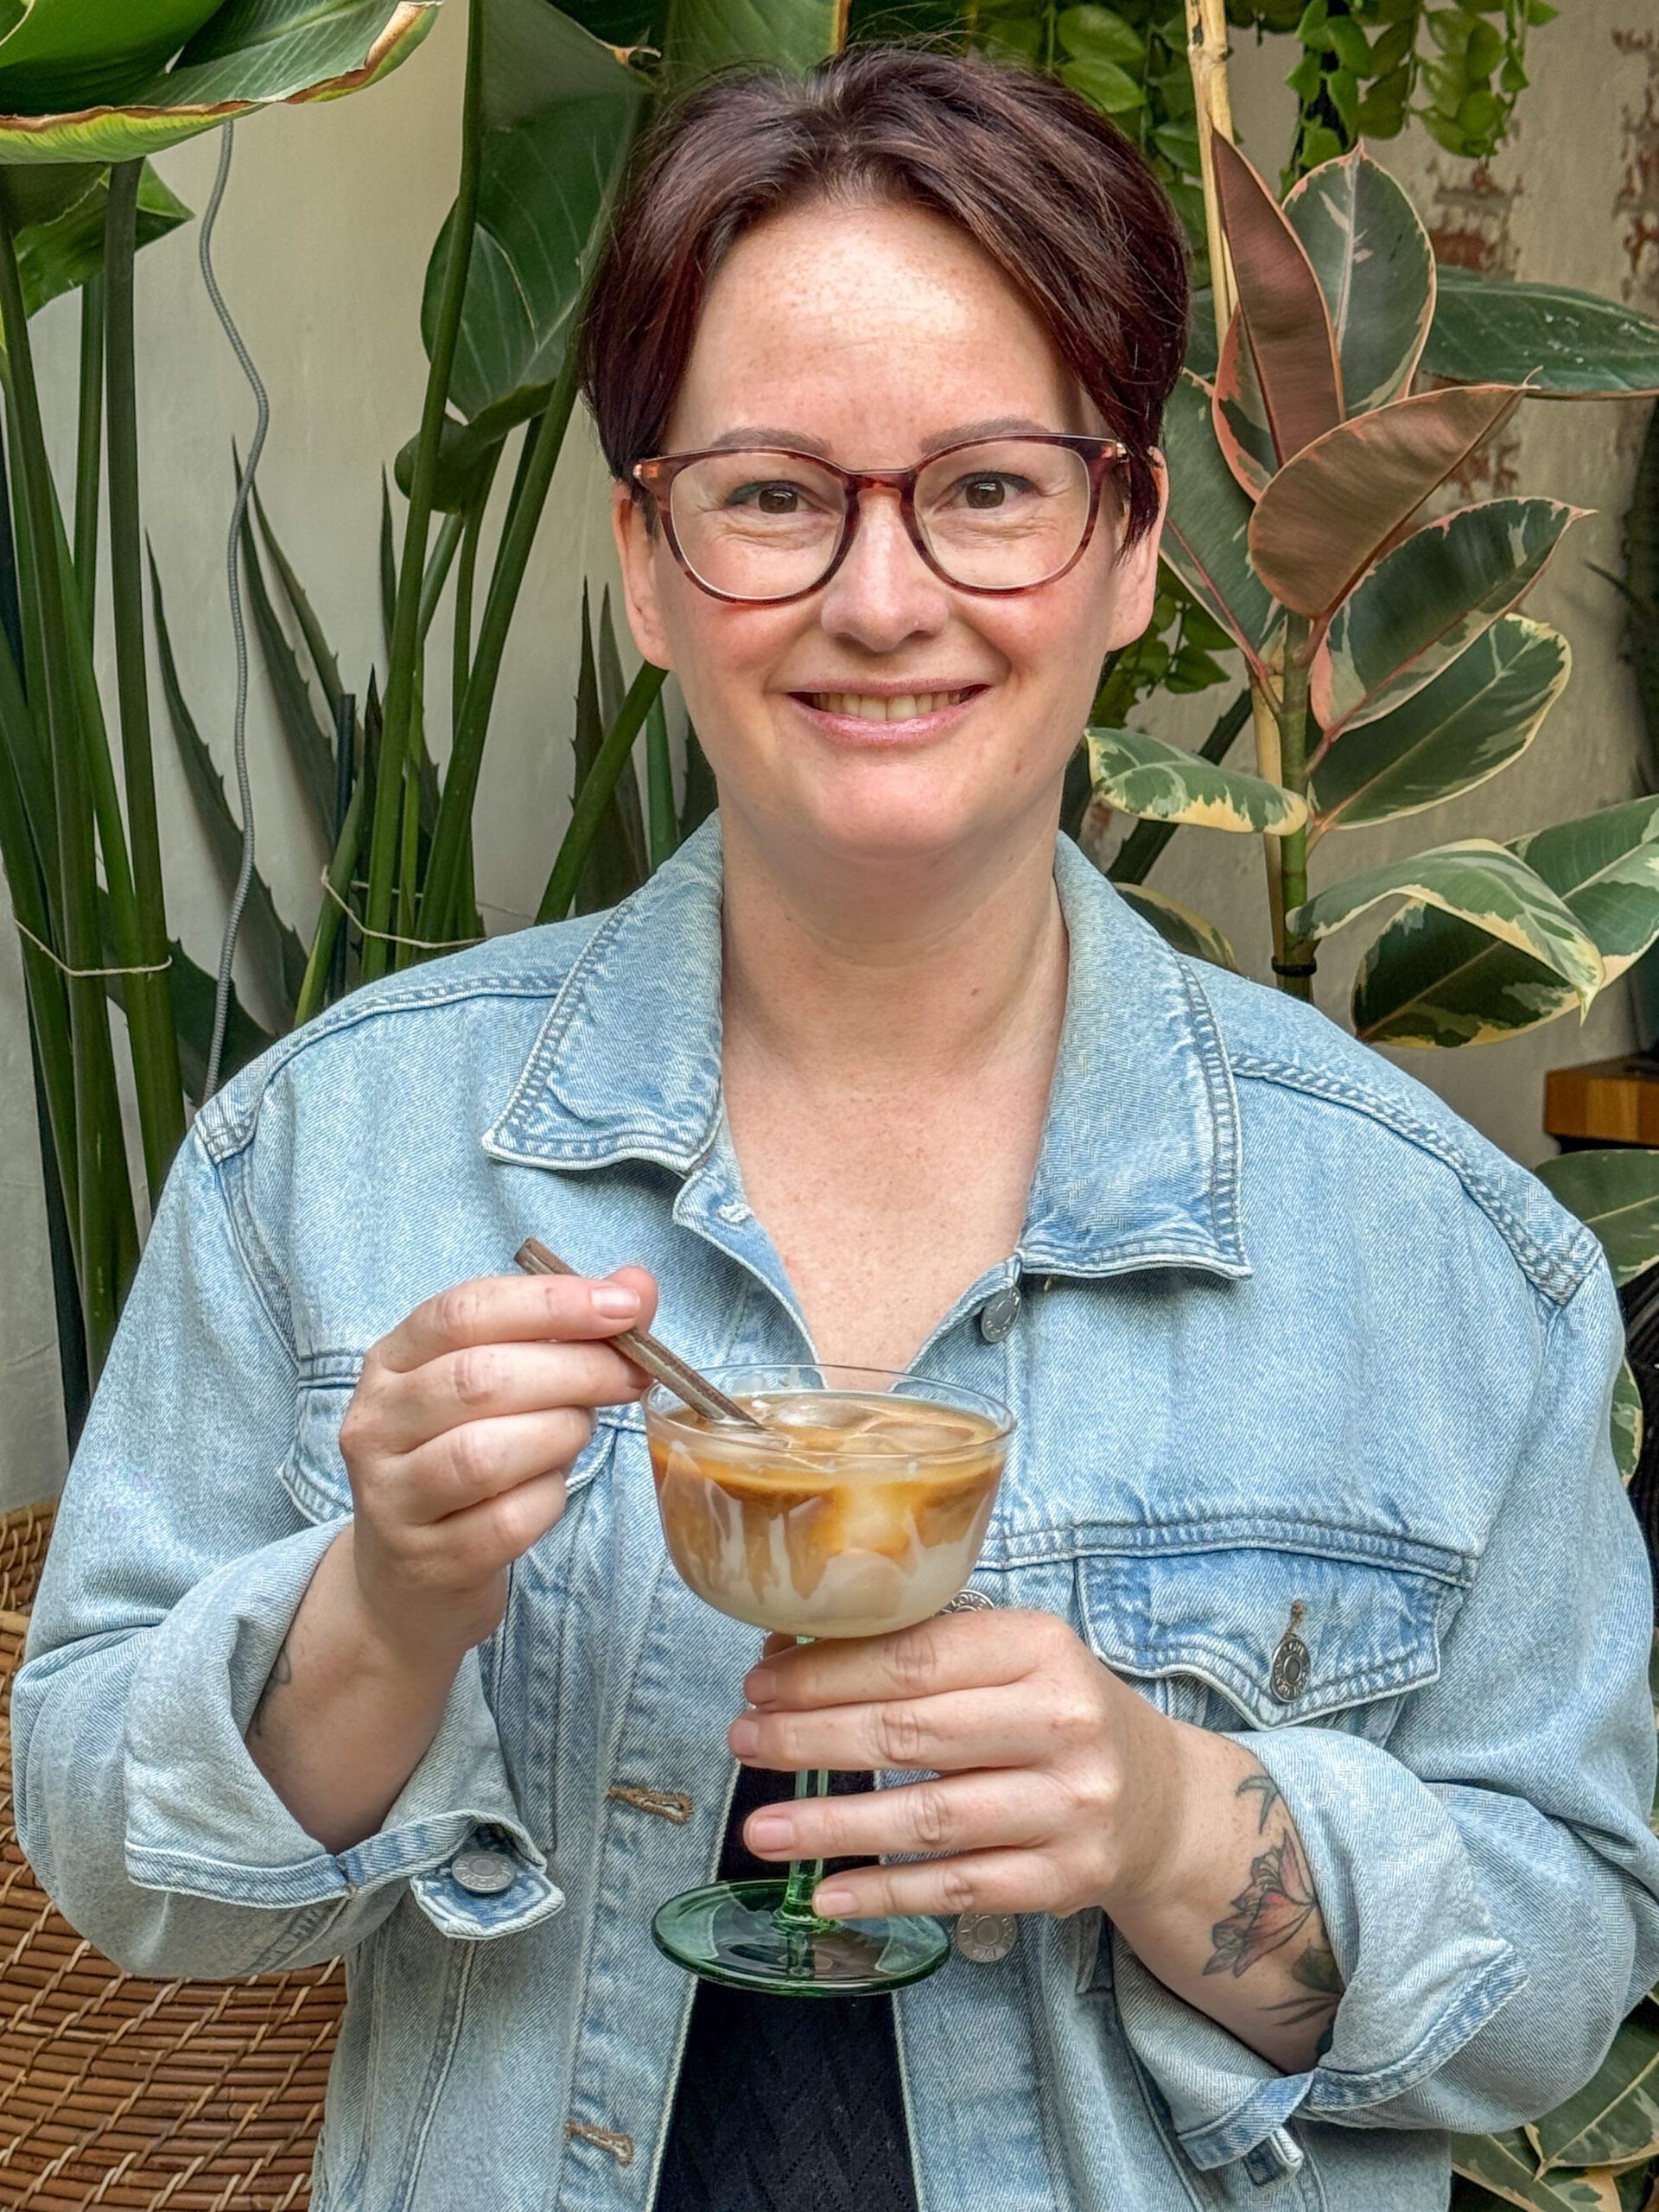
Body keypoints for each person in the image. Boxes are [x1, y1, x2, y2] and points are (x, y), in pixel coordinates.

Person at [13, 43, 1659, 2212]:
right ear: (648, 556)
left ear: (1133, 542)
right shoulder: (327, 1156)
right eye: (778, 493)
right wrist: (388, 1600)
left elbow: (1562, 1972)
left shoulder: (1439, 1253)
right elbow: (124, 1873)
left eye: (987, 486)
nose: (882, 599)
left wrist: (1170, 1820)